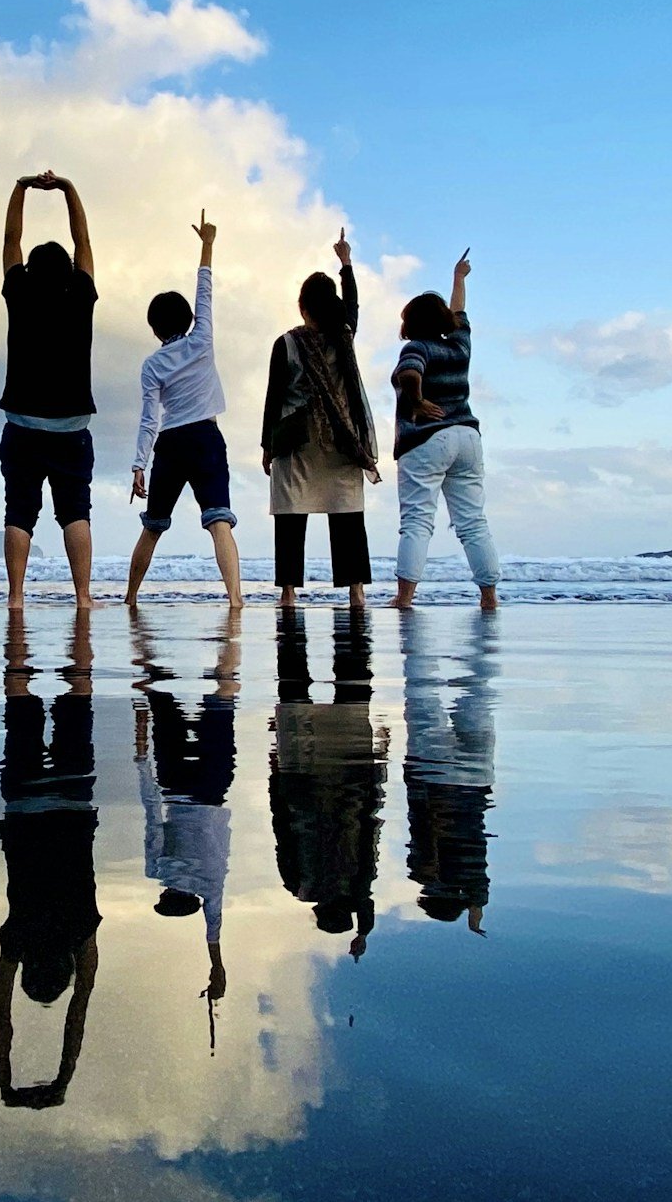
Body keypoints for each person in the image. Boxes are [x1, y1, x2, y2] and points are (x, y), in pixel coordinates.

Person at [0, 612, 100, 1108]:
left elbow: (79, 1009)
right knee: (20, 699)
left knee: (78, 694)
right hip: (25, 808)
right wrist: (4, 1082)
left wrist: (64, 1075)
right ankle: (18, 627)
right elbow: (0, 1016)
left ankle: (79, 622)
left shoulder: (81, 934)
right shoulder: (16, 941)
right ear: (28, 967)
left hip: (74, 806)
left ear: (70, 968)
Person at [260, 230, 381, 609]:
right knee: (346, 513)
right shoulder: (344, 335)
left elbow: (273, 398)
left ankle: (288, 593)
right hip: (342, 440)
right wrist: (345, 262)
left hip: (299, 441)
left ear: (302, 307)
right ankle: (355, 591)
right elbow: (353, 305)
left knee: (291, 515)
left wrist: (267, 445)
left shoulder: (288, 343)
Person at [126, 210, 241, 608]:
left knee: (153, 525)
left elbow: (147, 420)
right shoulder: (202, 339)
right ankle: (237, 600)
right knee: (220, 520)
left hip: (172, 441)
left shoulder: (152, 364)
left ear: (154, 329)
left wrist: (138, 464)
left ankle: (130, 597)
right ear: (189, 320)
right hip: (206, 437)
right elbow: (204, 292)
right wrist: (207, 244)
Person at [0, 172, 99, 609]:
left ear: (29, 270)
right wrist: (69, 189)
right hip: (71, 425)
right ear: (69, 271)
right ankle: (82, 596)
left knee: (20, 512)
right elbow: (84, 244)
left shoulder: (18, 291)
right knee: (75, 512)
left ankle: (16, 597)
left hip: (21, 421)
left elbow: (10, 240)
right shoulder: (80, 292)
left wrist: (19, 188)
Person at [133, 608, 238, 1024]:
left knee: (224, 691)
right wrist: (141, 751)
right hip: (176, 783)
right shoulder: (156, 870)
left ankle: (230, 631)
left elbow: (214, 929)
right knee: (160, 693)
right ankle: (142, 635)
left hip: (212, 788)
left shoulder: (210, 887)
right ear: (164, 896)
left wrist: (217, 966)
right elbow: (150, 809)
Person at [268, 609, 387, 959]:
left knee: (352, 685)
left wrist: (364, 931)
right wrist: (275, 774)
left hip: (351, 775)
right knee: (293, 684)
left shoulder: (358, 884)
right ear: (318, 910)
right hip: (300, 778)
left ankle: (351, 618)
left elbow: (372, 824)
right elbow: (281, 826)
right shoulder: (297, 884)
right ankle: (293, 621)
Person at [391, 248, 500, 612]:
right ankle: (489, 597)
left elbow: (410, 372)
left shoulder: (416, 347)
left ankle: (404, 597)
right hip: (468, 437)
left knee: (417, 521)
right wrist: (458, 278)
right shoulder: (459, 345)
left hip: (426, 439)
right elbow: (459, 314)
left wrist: (418, 401)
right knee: (472, 522)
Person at [402, 609, 496, 933]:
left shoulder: (474, 878)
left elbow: (479, 891)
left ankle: (487, 619)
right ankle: (411, 617)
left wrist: (475, 910)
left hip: (476, 777)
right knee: (421, 683)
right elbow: (422, 821)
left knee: (480, 685)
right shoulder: (422, 870)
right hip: (430, 773)